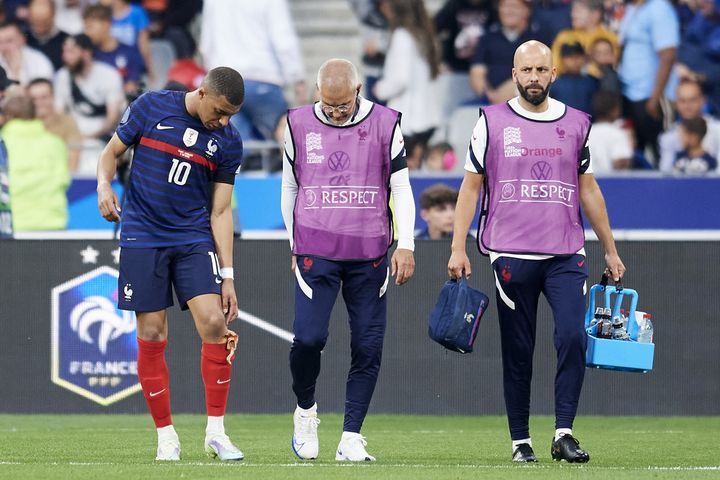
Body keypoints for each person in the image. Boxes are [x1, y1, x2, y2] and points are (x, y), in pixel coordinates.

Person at [448, 40, 625, 463]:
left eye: (541, 71)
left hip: (566, 251)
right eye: (526, 71)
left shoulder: (577, 123)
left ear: (553, 74)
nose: (533, 78)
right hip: (511, 252)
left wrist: (611, 249)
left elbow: (589, 189)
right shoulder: (490, 121)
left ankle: (563, 433)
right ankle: (520, 441)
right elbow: (470, 187)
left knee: (571, 336)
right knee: (519, 349)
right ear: (513, 74)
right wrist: (458, 246)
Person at [96, 66, 246, 462]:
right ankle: (166, 435)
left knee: (215, 322)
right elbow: (110, 153)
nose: (224, 120)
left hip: (192, 237)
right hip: (142, 235)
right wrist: (103, 185)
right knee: (151, 330)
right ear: (202, 93)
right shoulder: (150, 107)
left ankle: (216, 432)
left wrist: (228, 276)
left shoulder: (228, 141)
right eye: (220, 110)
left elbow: (221, 210)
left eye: (231, 115)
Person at [281, 58, 415, 462]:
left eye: (343, 105)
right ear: (317, 94)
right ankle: (305, 411)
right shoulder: (298, 124)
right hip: (315, 249)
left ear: (358, 91)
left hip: (369, 253)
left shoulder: (386, 123)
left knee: (367, 346)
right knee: (308, 339)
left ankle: (351, 436)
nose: (336, 112)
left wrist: (405, 243)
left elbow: (401, 187)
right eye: (328, 105)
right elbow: (290, 185)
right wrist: (294, 243)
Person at [200, 0, 306, 142]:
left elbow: (206, 45)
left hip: (224, 84)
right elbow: (283, 41)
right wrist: (297, 79)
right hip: (263, 79)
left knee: (233, 146)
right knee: (286, 136)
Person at [374, 0, 441, 171]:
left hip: (408, 121)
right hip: (426, 118)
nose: (382, 7)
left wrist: (380, 89)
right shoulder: (425, 34)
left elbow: (400, 79)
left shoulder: (402, 36)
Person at [618, 0, 679, 166]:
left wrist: (655, 98)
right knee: (637, 153)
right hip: (630, 95)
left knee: (662, 151)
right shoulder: (631, 9)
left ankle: (670, 191)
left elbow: (668, 55)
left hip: (653, 96)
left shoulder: (660, 8)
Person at [3, 95, 69, 231]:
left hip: (11, 226)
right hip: (52, 224)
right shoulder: (56, 144)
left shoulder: (2, 144)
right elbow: (64, 180)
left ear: (7, 116)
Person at [469, 0, 553, 104]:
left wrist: (513, 89)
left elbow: (545, 71)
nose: (508, 11)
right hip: (489, 100)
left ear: (527, 10)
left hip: (528, 98)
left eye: (513, 6)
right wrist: (489, 94)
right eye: (503, 6)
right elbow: (477, 72)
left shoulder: (539, 37)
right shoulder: (488, 37)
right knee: (464, 111)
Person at [54, 33, 125, 141]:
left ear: (86, 53)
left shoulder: (109, 75)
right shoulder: (62, 76)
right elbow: (58, 112)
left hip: (103, 138)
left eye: (71, 52)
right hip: (72, 136)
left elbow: (112, 118)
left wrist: (89, 137)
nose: (65, 57)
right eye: (64, 52)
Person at [658, 79, 720, 173]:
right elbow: (665, 172)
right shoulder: (668, 137)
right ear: (676, 104)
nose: (687, 106)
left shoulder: (717, 131)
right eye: (682, 101)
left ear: (702, 101)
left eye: (692, 100)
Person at [83, 4, 144, 95]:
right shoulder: (88, 54)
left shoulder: (130, 52)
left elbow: (131, 87)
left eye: (90, 27)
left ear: (106, 25)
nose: (87, 32)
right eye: (86, 27)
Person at [27, 77, 83, 172]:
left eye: (44, 97)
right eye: (33, 99)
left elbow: (73, 160)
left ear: (53, 97)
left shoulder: (67, 122)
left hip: (60, 179)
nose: (39, 103)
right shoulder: (22, 123)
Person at [551, 0, 618, 77]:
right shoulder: (564, 37)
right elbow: (555, 68)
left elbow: (614, 68)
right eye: (573, 10)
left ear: (596, 14)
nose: (573, 15)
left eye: (578, 11)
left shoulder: (610, 38)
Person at [588, 90, 633, 173]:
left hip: (587, 182)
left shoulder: (585, 132)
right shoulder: (617, 133)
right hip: (609, 183)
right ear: (615, 110)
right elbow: (621, 163)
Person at [550, 42, 598, 114]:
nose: (575, 61)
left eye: (578, 57)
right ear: (563, 60)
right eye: (570, 57)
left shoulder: (592, 82)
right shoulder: (554, 84)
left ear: (583, 59)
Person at [0, 20, 54, 84]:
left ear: (23, 40)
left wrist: (15, 71)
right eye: (0, 42)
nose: (4, 47)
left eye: (9, 41)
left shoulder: (38, 61)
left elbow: (42, 91)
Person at [25, 0, 69, 71]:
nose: (39, 26)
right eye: (35, 20)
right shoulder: (23, 39)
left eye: (44, 21)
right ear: (29, 16)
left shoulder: (66, 40)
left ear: (53, 14)